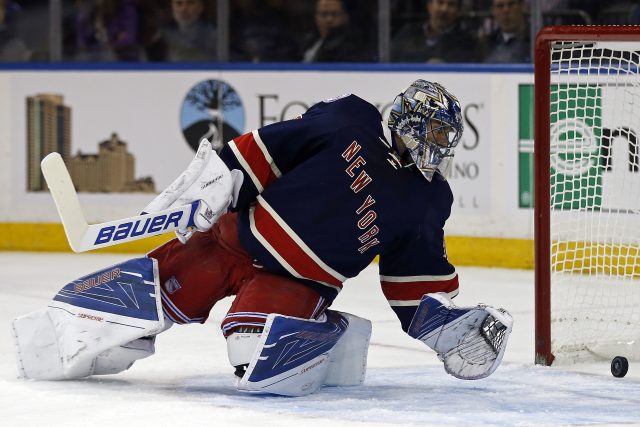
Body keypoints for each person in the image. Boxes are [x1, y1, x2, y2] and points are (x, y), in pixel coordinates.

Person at [12, 80, 513, 396]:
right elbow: (268, 149)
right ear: (410, 122)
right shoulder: (349, 119)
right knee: (125, 310)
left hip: (299, 282)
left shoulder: (427, 199)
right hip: (226, 242)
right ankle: (52, 341)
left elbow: (411, 281)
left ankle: (332, 333)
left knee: (258, 361)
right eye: (439, 135)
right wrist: (217, 181)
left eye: (450, 139)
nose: (443, 148)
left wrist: (446, 326)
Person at [391, 0, 481, 63]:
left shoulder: (466, 43)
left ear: (458, 11)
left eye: (451, 4)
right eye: (440, 2)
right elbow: (392, 60)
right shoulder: (408, 33)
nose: (444, 9)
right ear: (429, 5)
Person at [301, 0, 373, 63]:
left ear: (345, 17)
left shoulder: (352, 46)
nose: (329, 19)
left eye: (335, 14)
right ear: (316, 17)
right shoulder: (309, 41)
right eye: (324, 14)